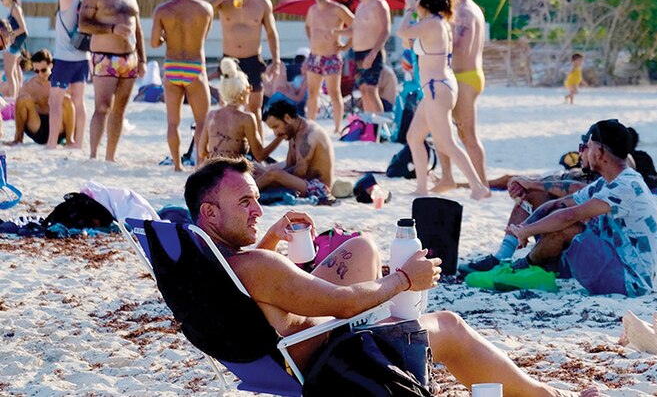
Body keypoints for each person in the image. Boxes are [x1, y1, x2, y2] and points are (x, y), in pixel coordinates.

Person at [183, 157, 598, 396]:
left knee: (362, 246)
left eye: (257, 199)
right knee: (449, 327)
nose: (258, 210)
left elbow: (259, 293)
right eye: (245, 202)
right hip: (328, 354)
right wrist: (403, 278)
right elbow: (343, 305)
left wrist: (271, 238)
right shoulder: (255, 267)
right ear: (210, 213)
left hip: (286, 353)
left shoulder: (214, 263)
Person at [465, 120, 657, 297]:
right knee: (559, 214)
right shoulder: (608, 183)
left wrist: (526, 231)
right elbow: (560, 204)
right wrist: (521, 230)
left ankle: (520, 269)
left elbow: (570, 215)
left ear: (599, 152)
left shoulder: (626, 186)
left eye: (588, 146)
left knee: (571, 227)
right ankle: (524, 269)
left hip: (629, 282)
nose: (582, 151)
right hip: (613, 266)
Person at [395, 0, 490, 200]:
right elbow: (408, 40)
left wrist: (409, 9)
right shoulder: (436, 23)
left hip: (438, 88)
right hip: (437, 88)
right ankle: (421, 188)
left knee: (446, 143)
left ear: (423, 3)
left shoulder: (431, 24)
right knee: (414, 136)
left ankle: (478, 186)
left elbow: (402, 32)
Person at [79, 0, 147, 162]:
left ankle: (110, 156)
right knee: (102, 107)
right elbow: (83, 25)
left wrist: (143, 59)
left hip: (130, 59)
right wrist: (112, 29)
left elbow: (138, 30)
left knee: (120, 109)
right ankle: (93, 154)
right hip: (105, 58)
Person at [151, 0, 213, 171]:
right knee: (202, 121)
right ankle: (198, 164)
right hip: (195, 65)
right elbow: (202, 37)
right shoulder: (206, 9)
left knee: (173, 122)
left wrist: (166, 37)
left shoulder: (163, 10)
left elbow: (153, 43)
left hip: (173, 65)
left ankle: (177, 165)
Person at [210, 0, 282, 137]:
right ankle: (226, 144)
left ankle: (257, 149)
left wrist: (276, 60)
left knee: (254, 108)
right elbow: (204, 10)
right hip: (229, 60)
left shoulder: (262, 3)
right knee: (227, 106)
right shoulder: (223, 1)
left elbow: (271, 33)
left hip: (252, 59)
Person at [434, 0, 489, 192]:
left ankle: (481, 184)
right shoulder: (471, 9)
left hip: (464, 77)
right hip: (469, 76)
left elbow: (462, 49)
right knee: (446, 129)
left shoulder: (464, 12)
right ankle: (448, 177)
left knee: (467, 135)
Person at [37, 0, 94, 150]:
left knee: (55, 101)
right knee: (79, 102)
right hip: (83, 57)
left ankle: (52, 142)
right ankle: (78, 143)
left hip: (64, 58)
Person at [254, 99, 335, 202]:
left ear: (287, 118)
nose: (275, 133)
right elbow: (289, 165)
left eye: (276, 127)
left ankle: (247, 191)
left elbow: (300, 172)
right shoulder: (294, 132)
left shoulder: (307, 135)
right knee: (265, 171)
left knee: (274, 174)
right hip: (305, 182)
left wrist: (269, 176)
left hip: (319, 188)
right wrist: (265, 173)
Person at [198, 58, 277, 161]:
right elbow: (259, 155)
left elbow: (201, 151)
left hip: (213, 170)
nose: (250, 90)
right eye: (248, 88)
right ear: (242, 94)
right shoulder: (246, 118)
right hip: (233, 170)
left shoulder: (211, 115)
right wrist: (280, 138)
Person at [303, 0, 353, 133]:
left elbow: (355, 27)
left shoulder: (338, 9)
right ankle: (311, 124)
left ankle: (337, 127)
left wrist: (345, 45)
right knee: (312, 93)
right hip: (315, 56)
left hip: (331, 56)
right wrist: (313, 40)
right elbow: (307, 26)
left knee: (334, 92)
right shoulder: (312, 10)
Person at [5, 50, 74, 145]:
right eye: (36, 71)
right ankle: (18, 139)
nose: (40, 74)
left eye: (43, 70)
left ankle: (70, 140)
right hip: (37, 127)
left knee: (67, 100)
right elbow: (20, 110)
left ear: (51, 66)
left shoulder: (61, 83)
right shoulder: (29, 86)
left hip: (58, 127)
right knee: (22, 99)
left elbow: (72, 111)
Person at [350, 0, 390, 115]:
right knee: (363, 90)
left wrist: (373, 54)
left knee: (371, 90)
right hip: (359, 52)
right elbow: (355, 30)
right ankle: (370, 127)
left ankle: (381, 128)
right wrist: (334, 33)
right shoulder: (360, 7)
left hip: (372, 52)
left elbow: (385, 30)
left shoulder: (378, 4)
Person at [1, 0, 28, 97]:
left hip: (14, 44)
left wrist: (10, 35)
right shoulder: (13, 8)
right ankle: (16, 96)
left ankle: (13, 99)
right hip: (15, 43)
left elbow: (23, 29)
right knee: (15, 71)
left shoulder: (15, 9)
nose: (1, 1)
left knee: (9, 73)